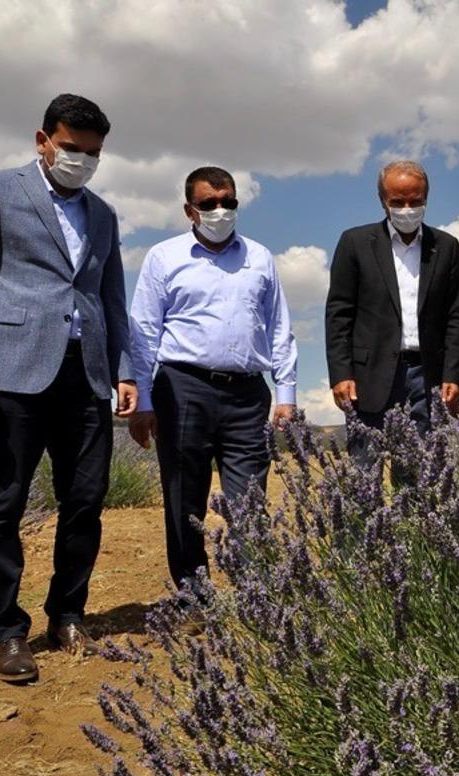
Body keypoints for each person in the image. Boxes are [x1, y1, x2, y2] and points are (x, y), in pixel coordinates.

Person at [0, 94, 135, 681]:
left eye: (93, 153)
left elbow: (111, 298)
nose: (80, 160)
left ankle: (67, 612)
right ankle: (7, 629)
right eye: (71, 148)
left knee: (85, 499)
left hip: (88, 373)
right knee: (3, 501)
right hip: (13, 370)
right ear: (43, 140)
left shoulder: (103, 214)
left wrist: (125, 370)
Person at [128, 166, 298, 591]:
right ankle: (194, 593)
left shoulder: (259, 257)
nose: (220, 211)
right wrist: (144, 401)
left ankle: (253, 592)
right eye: (209, 204)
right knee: (185, 497)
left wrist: (287, 393)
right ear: (190, 209)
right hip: (183, 388)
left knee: (249, 501)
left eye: (229, 202)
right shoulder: (164, 258)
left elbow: (279, 326)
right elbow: (144, 331)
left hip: (247, 394)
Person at [324, 160, 459, 456]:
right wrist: (341, 373)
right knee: (365, 472)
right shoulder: (356, 242)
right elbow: (339, 314)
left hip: (426, 376)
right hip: (369, 377)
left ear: (426, 199)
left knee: (419, 473)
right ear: (382, 201)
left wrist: (452, 374)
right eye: (398, 202)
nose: (407, 208)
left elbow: (457, 316)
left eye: (415, 201)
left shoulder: (446, 246)